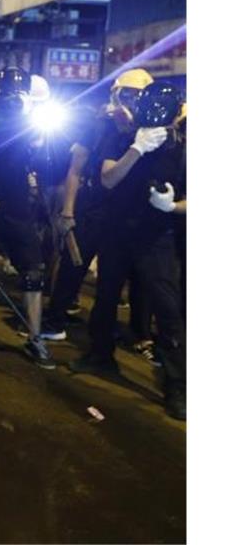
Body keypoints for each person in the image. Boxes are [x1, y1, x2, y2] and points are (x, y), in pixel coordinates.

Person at [70, 80, 186, 420]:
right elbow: (108, 178)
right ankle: (99, 353)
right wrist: (135, 149)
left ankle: (177, 385)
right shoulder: (121, 137)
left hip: (156, 239)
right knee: (105, 296)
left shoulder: (184, 148)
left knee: (167, 310)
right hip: (117, 230)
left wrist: (172, 207)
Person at [41, 69, 154, 340]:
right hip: (92, 205)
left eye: (138, 95)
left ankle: (120, 334)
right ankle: (54, 320)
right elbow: (75, 169)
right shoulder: (98, 125)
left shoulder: (149, 131)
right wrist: (68, 210)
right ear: (116, 93)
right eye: (127, 93)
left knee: (117, 276)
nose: (132, 99)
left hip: (126, 210)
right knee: (73, 266)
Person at [0, 67, 54, 369]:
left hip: (18, 201)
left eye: (18, 91)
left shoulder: (32, 120)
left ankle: (35, 338)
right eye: (8, 89)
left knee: (33, 270)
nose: (13, 96)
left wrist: (32, 130)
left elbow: (45, 160)